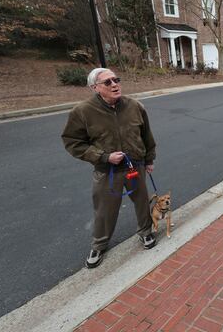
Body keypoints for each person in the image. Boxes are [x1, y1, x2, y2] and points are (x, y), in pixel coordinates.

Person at [62, 68, 158, 268]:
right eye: (108, 82)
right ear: (95, 88)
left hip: (135, 165)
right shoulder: (82, 112)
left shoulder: (135, 106)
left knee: (141, 202)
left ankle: (146, 232)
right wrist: (103, 157)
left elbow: (146, 135)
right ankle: (99, 244)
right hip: (107, 171)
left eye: (116, 80)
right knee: (104, 210)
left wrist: (149, 159)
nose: (115, 84)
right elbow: (73, 142)